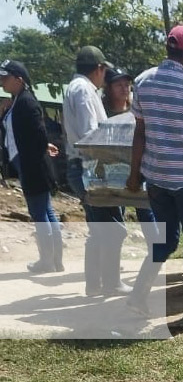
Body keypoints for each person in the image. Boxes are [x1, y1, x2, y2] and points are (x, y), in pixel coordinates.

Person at [126, 25, 183, 319]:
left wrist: (133, 174)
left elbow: (139, 134)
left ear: (168, 50)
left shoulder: (143, 83)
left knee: (165, 240)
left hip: (156, 179)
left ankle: (138, 297)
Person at [63, 46, 132, 297]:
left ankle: (95, 284)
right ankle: (110, 283)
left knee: (100, 230)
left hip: (86, 166)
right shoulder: (83, 91)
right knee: (113, 228)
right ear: (99, 69)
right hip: (90, 166)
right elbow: (90, 134)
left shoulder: (79, 88)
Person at [0, 60, 63, 273]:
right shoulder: (17, 101)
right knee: (45, 211)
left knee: (40, 214)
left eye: (5, 78)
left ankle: (48, 261)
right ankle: (55, 261)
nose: (1, 82)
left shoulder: (27, 102)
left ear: (19, 79)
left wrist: (39, 153)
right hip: (30, 165)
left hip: (33, 167)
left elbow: (38, 133)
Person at [102, 67, 157, 242]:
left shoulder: (136, 108)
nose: (125, 88)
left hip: (137, 165)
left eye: (127, 84)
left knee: (145, 210)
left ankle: (157, 250)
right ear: (109, 88)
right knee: (116, 210)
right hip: (111, 167)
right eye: (119, 85)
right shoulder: (102, 110)